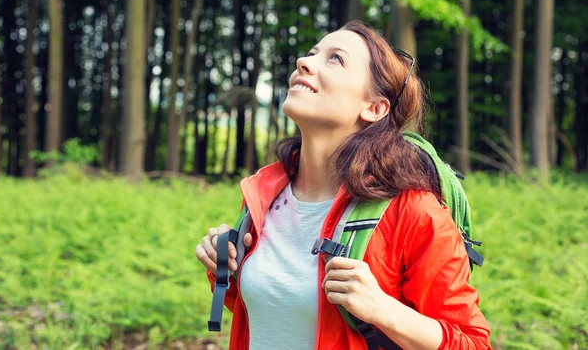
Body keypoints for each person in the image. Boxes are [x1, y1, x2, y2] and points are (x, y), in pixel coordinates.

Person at [195, 20, 491, 350]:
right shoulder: (263, 193)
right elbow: (276, 315)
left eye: (335, 59)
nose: (303, 63)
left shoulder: (412, 210)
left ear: (374, 108)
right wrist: (224, 265)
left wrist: (383, 310)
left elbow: (473, 343)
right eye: (311, 53)